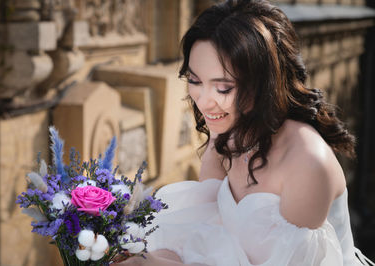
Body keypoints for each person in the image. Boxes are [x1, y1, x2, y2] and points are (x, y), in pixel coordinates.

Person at [113, 0, 375, 265]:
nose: (204, 101)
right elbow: (204, 231)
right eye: (194, 81)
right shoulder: (228, 133)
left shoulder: (308, 164)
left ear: (263, 84)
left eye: (223, 88)